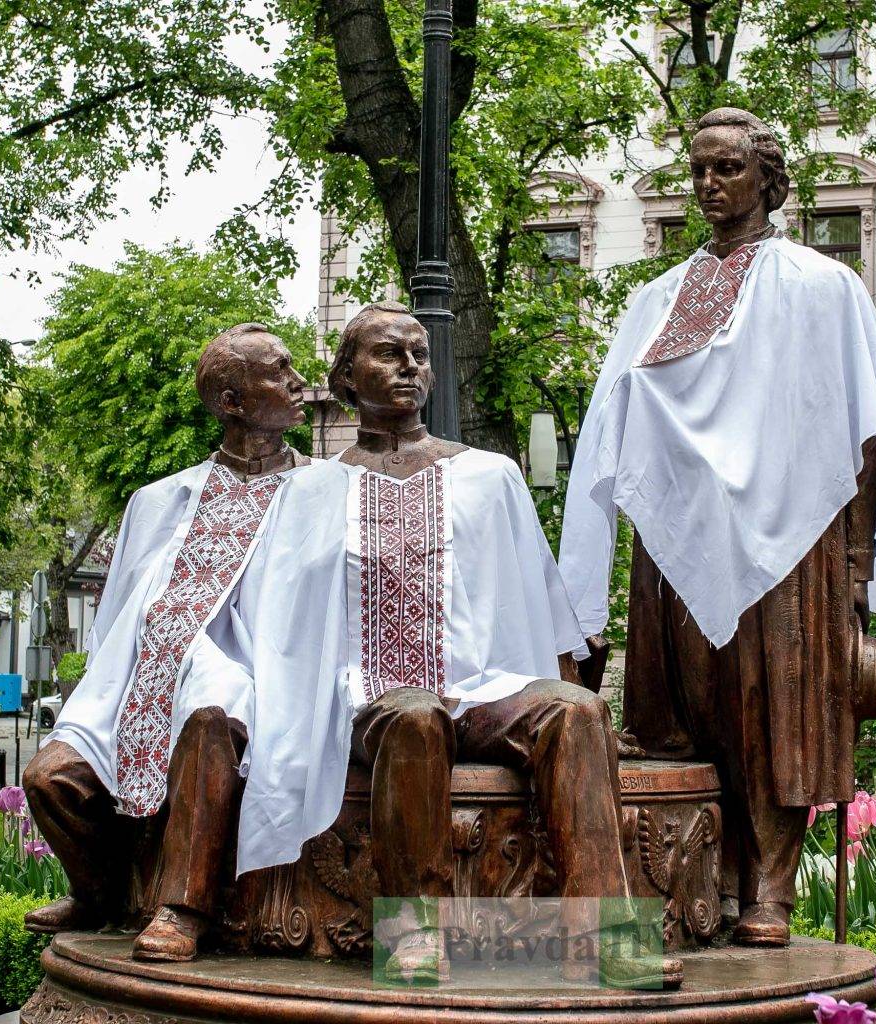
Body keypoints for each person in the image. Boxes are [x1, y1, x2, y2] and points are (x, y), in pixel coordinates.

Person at [232, 301, 681, 989]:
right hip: (373, 699)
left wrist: (570, 685)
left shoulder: (490, 474)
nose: (411, 365)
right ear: (347, 377)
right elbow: (285, 624)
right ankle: (415, 935)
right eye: (388, 353)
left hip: (485, 691)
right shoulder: (311, 491)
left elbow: (537, 598)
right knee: (414, 715)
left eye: (419, 353)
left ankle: (611, 938)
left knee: (576, 711)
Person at [558, 107, 876, 947]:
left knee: (777, 712)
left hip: (795, 547)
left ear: (767, 178)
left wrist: (859, 559)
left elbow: (864, 428)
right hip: (675, 547)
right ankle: (697, 882)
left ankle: (771, 886)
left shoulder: (823, 286)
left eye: (728, 169)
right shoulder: (657, 298)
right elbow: (612, 429)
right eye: (700, 172)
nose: (711, 186)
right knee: (680, 710)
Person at [21, 324, 311, 962]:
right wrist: (104, 691)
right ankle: (100, 895)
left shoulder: (320, 493)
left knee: (212, 719)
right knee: (47, 778)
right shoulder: (157, 501)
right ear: (232, 402)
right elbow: (120, 606)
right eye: (277, 372)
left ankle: (183, 909)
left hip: (252, 669)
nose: (298, 382)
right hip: (144, 671)